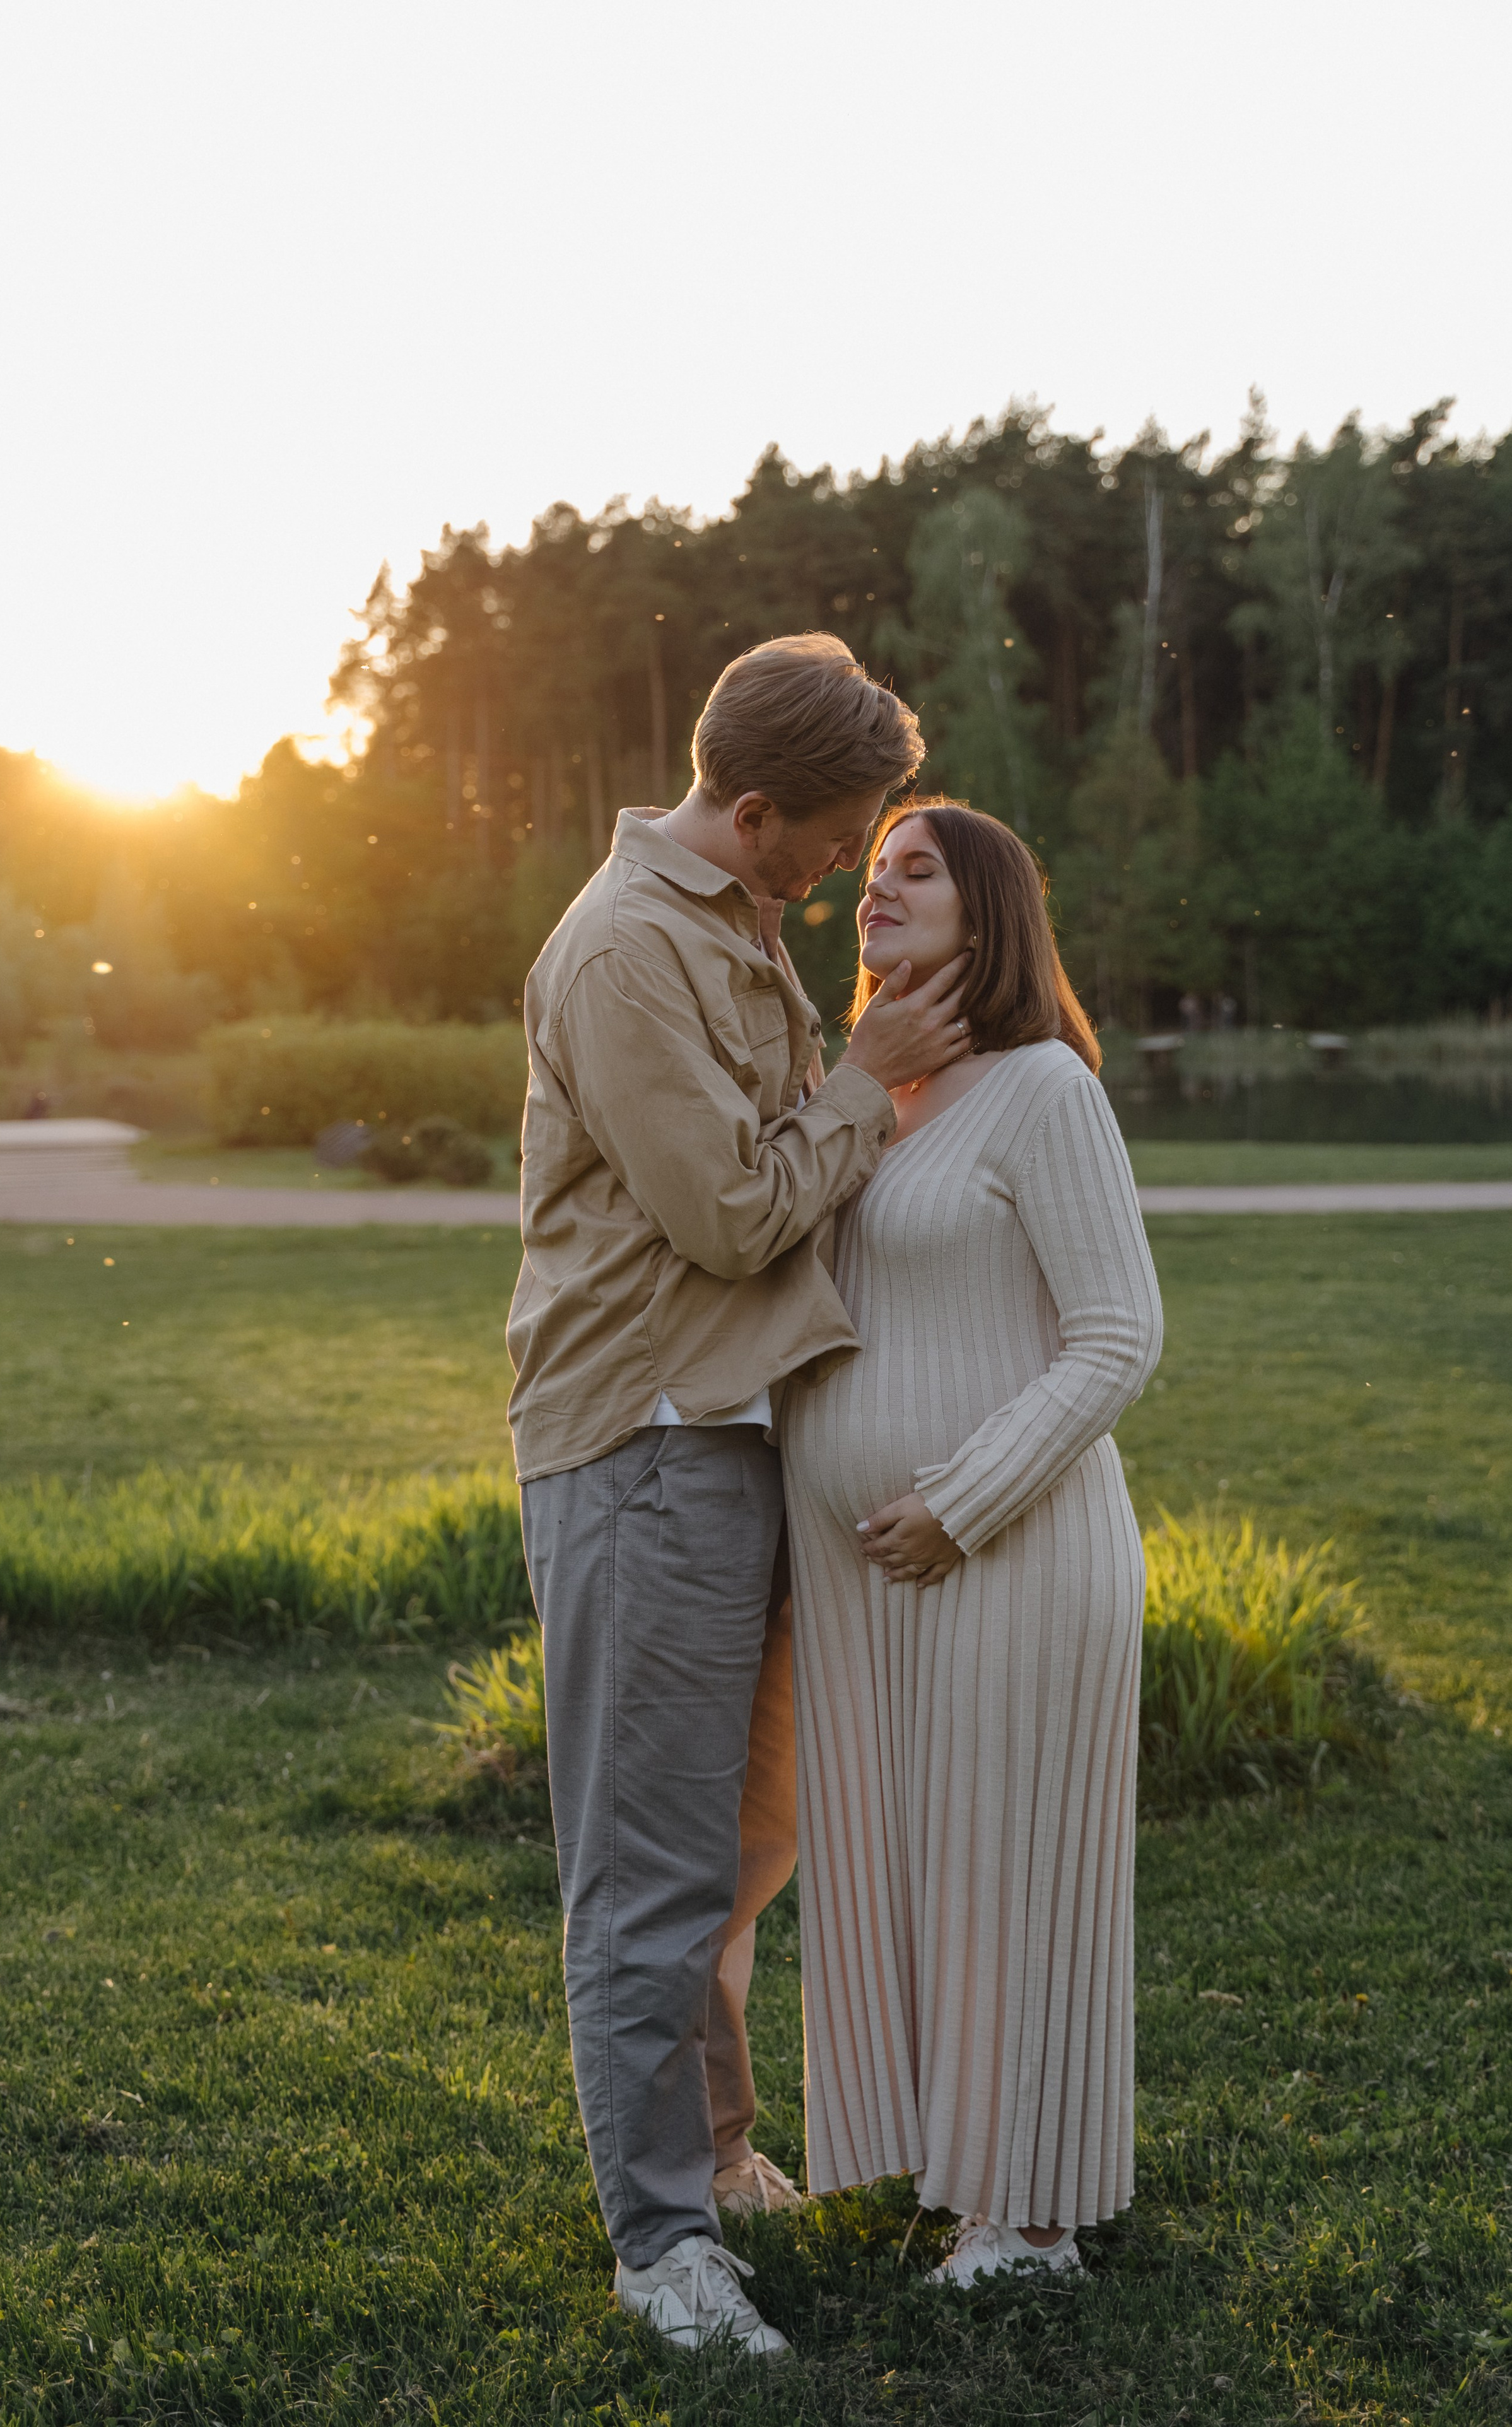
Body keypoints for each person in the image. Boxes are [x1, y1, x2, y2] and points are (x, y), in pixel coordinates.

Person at [508, 637, 973, 2356]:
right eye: (834, 838)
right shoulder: (628, 948)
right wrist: (860, 1088)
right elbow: (724, 1211)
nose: (847, 868)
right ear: (753, 808)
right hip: (643, 1441)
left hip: (738, 1434)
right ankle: (660, 2250)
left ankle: (711, 2157)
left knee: (737, 1851)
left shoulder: (738, 925)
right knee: (647, 1868)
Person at [780, 800, 1163, 2285]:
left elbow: (1118, 1332)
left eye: (912, 873)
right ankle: (962, 2167)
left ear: (987, 909)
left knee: (1011, 1869)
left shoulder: (1041, 1090)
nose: (873, 894)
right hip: (865, 1578)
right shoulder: (874, 1087)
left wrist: (961, 1498)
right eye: (868, 878)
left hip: (1009, 1550)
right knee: (911, 1869)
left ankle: (1037, 2217)